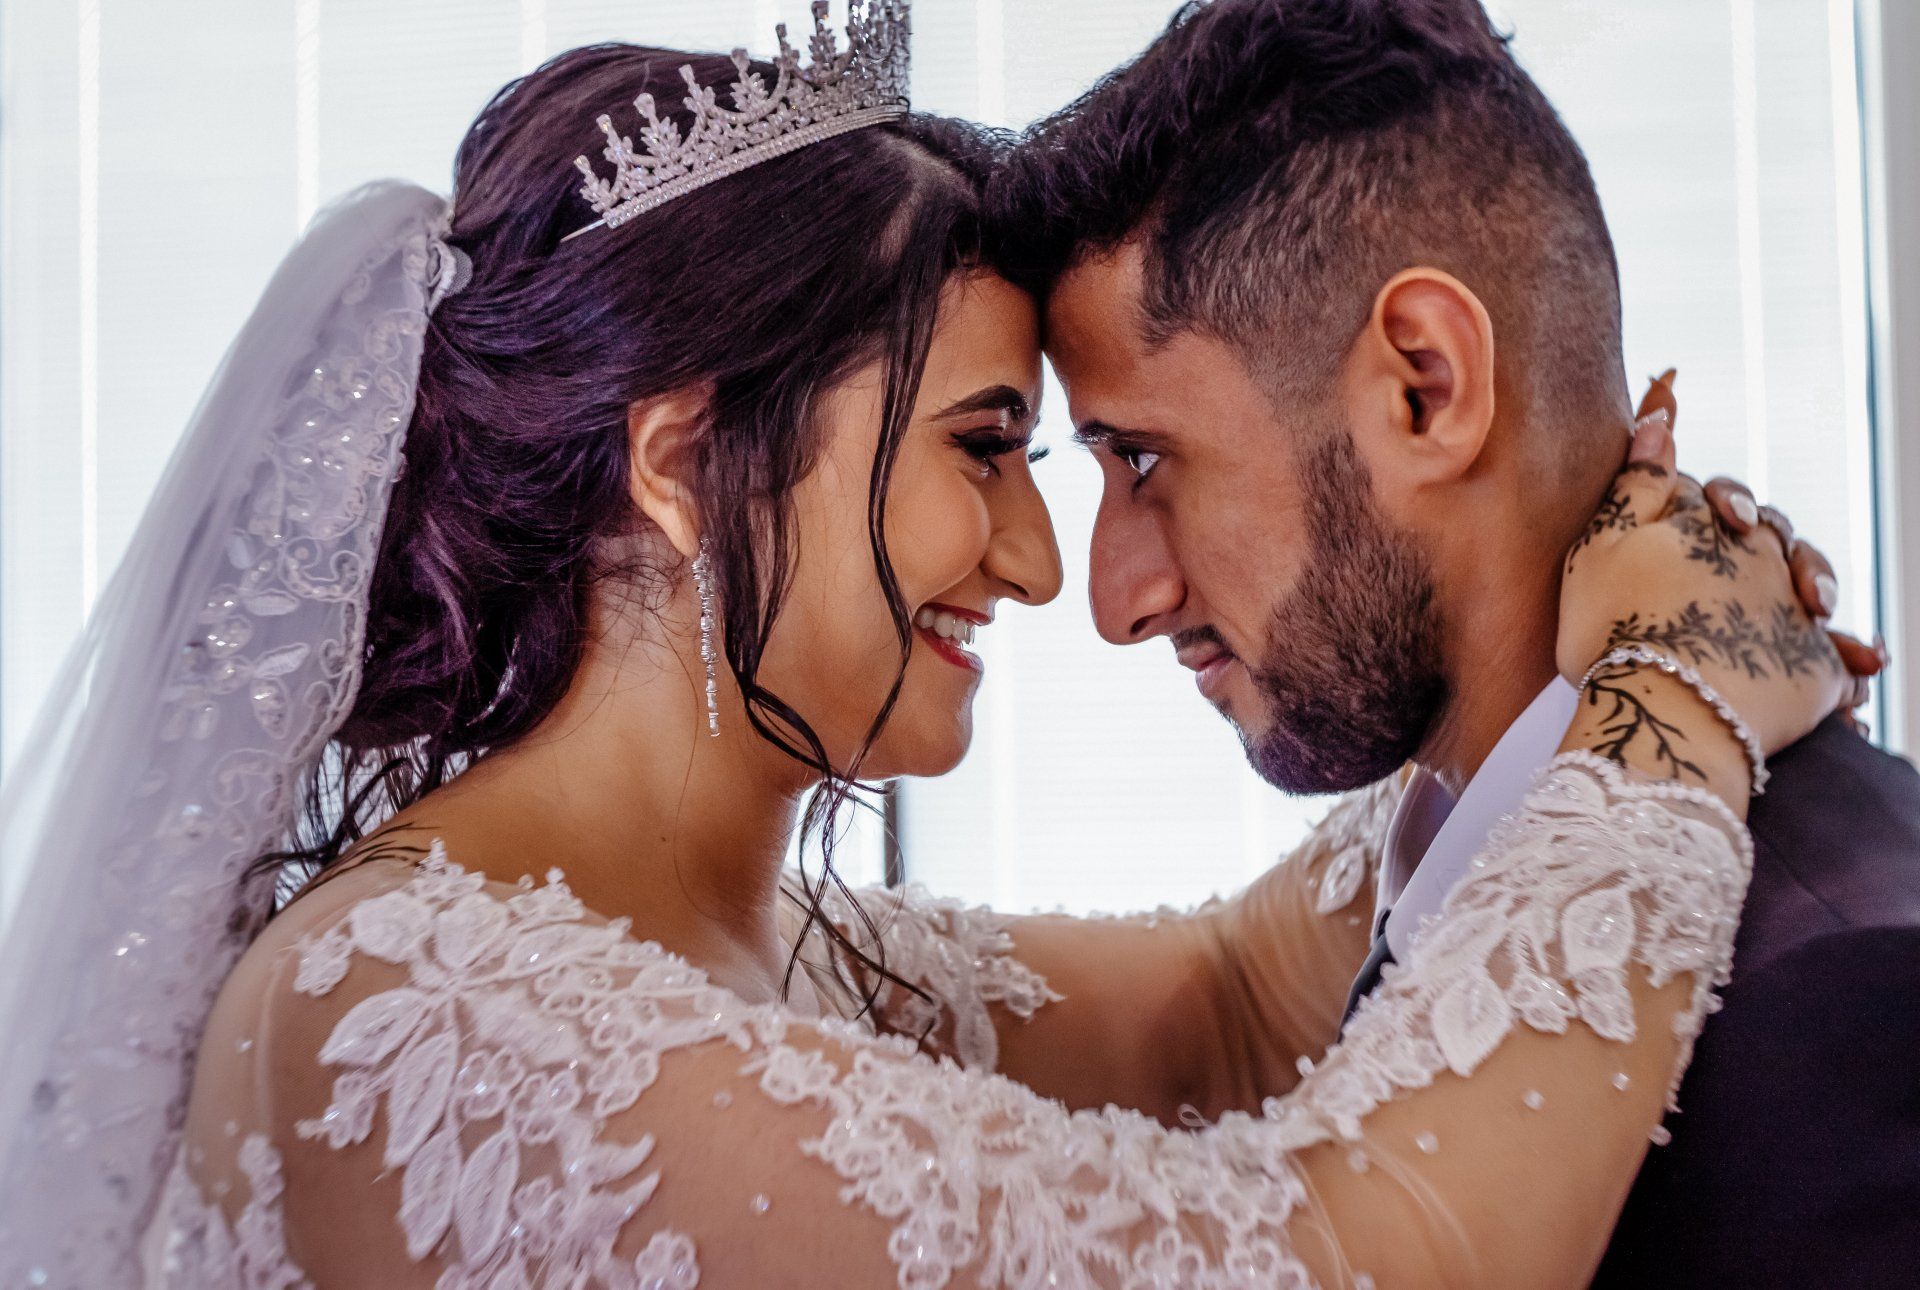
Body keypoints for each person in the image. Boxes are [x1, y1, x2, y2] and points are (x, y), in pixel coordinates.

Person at [0, 4, 1865, 1287]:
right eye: (988, 450)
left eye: (1102, 460)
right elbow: (1323, 1264)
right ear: (678, 462)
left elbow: (1226, 999)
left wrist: (1553, 617)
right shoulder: (423, 1012)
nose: (1056, 565)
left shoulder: (733, 952)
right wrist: (1672, 702)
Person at [992, 0, 1920, 1283]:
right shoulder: (1448, 847)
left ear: (1426, 388)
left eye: (1143, 459)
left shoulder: (1841, 1001)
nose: (1117, 598)